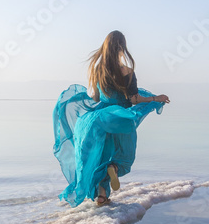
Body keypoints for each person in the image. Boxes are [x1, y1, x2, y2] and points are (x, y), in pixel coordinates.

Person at [52, 30, 170, 207]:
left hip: (98, 119)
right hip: (120, 118)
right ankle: (112, 171)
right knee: (122, 159)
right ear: (122, 47)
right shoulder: (127, 71)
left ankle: (101, 196)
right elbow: (134, 99)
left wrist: (82, 102)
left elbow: (97, 98)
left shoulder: (98, 70)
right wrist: (154, 98)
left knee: (100, 156)